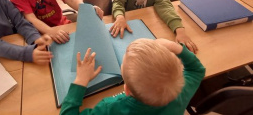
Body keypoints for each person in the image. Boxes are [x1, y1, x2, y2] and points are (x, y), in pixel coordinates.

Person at [60, 38, 205, 115]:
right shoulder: (181, 92)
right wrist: (176, 47)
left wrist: (81, 80)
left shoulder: (111, 108)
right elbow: (197, 70)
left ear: (126, 89)